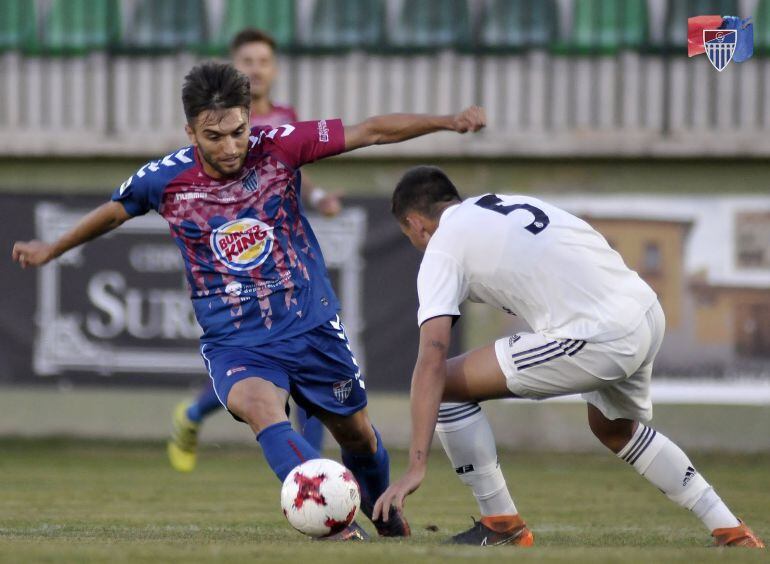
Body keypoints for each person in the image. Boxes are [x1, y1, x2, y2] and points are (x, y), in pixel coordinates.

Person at [12, 64, 485, 540]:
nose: (230, 146)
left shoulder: (279, 146)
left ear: (248, 120)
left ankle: (386, 518)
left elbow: (372, 131)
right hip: (236, 338)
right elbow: (114, 213)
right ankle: (333, 525)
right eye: (213, 136)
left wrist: (446, 121)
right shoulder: (165, 179)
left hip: (310, 324)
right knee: (261, 407)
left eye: (238, 132)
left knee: (356, 433)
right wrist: (52, 249)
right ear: (191, 131)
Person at [372, 166, 765, 548]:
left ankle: (501, 523)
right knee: (613, 429)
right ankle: (730, 529)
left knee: (444, 386)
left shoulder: (443, 246)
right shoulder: (500, 203)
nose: (417, 243)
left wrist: (417, 464)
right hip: (645, 310)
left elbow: (432, 359)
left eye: (411, 235)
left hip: (598, 334)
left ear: (416, 223)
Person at [167, 28, 339, 473]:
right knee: (252, 365)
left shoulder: (285, 118)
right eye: (248, 61)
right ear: (233, 68)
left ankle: (315, 474)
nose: (257, 69)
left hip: (278, 259)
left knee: (307, 369)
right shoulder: (216, 123)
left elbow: (295, 168)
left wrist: (318, 199)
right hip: (231, 265)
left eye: (264, 61)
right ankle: (193, 414)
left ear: (274, 69)